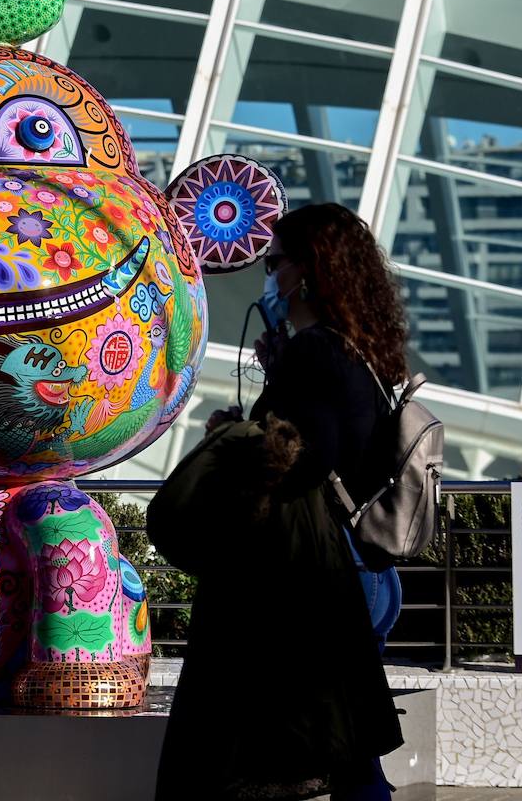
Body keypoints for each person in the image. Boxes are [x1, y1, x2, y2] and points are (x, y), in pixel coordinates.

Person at [151, 202, 409, 801]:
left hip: (323, 573)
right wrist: (278, 370)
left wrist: (235, 436)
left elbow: (303, 459)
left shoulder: (316, 351)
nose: (270, 275)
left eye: (277, 262)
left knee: (317, 750)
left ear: (309, 268)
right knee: (351, 754)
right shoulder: (357, 351)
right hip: (366, 569)